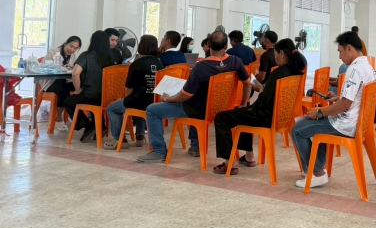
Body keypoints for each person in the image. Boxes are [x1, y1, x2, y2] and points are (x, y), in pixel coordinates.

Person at [137, 31, 251, 163]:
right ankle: (195, 147)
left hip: (198, 110)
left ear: (208, 45)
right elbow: (247, 83)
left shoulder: (201, 66)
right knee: (196, 102)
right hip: (222, 109)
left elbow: (185, 96)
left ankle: (159, 151)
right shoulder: (235, 61)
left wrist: (168, 99)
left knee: (152, 110)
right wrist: (243, 103)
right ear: (226, 46)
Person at [291, 31, 376, 188]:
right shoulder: (367, 66)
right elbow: (356, 98)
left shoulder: (354, 69)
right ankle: (316, 167)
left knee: (297, 130)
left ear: (349, 48)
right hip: (356, 121)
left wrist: (319, 113)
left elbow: (345, 104)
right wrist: (338, 98)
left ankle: (317, 173)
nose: (340, 56)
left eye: (340, 51)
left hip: (346, 123)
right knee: (313, 126)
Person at [212, 39, 306, 175]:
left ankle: (229, 163)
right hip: (281, 117)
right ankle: (249, 156)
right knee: (243, 113)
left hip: (265, 116)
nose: (275, 57)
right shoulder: (295, 72)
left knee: (221, 118)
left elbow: (263, 101)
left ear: (282, 54)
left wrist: (260, 89)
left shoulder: (278, 73)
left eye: (275, 54)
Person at [103, 35, 164, 150]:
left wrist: (125, 99)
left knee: (112, 108)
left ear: (141, 46)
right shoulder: (159, 63)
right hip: (154, 100)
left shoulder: (137, 63)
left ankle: (120, 140)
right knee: (138, 107)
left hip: (139, 100)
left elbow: (129, 87)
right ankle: (140, 137)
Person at [64, 31, 114, 143]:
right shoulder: (110, 58)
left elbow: (75, 73)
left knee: (68, 102)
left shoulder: (86, 55)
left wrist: (78, 89)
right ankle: (101, 127)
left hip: (91, 94)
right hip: (107, 96)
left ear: (92, 41)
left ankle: (88, 126)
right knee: (95, 105)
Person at [42, 35, 82, 132]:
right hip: (50, 83)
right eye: (71, 46)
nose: (72, 50)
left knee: (79, 87)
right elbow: (45, 69)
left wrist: (71, 68)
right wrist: (60, 68)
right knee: (62, 87)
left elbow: (75, 70)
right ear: (66, 43)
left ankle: (75, 115)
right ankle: (59, 117)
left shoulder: (73, 56)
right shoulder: (52, 53)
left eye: (75, 48)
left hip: (65, 82)